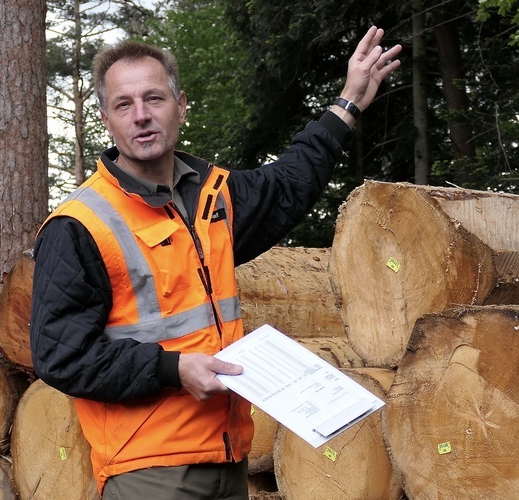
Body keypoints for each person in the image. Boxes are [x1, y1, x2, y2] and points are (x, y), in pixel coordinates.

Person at [29, 26, 402, 500]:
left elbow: (288, 183)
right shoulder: (79, 225)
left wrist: (347, 103)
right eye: (124, 105)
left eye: (154, 99)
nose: (141, 116)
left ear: (180, 105)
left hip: (228, 460)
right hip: (149, 471)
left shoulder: (212, 198)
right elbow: (61, 358)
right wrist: (173, 369)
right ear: (106, 119)